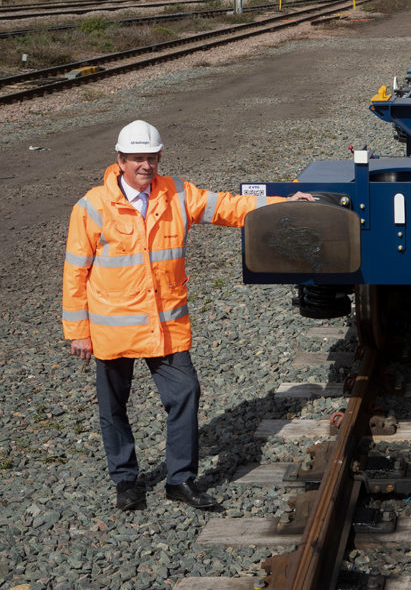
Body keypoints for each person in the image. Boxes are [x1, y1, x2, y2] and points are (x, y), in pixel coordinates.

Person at [62, 120, 313, 511]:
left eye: (152, 158)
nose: (146, 165)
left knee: (186, 394)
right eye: (138, 158)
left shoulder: (176, 193)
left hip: (164, 326)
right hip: (112, 329)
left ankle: (179, 480)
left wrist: (279, 204)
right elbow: (75, 271)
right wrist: (78, 331)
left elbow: (228, 206)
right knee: (113, 408)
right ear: (121, 160)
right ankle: (126, 480)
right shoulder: (92, 207)